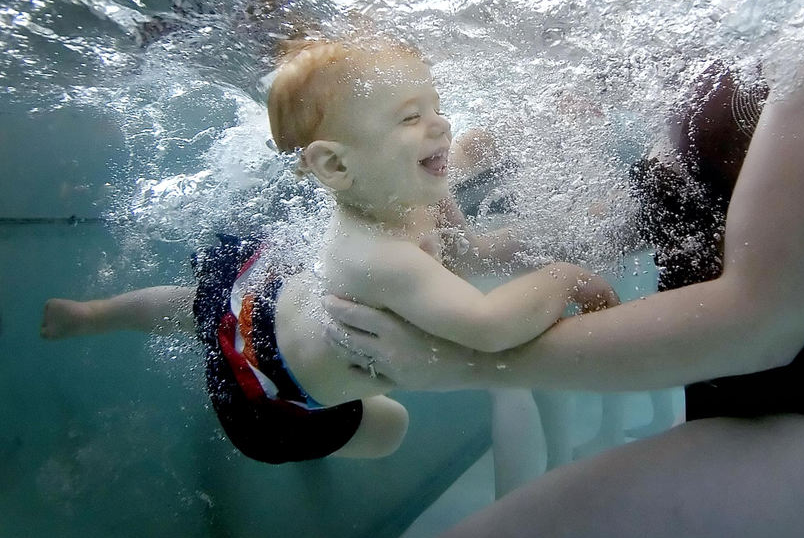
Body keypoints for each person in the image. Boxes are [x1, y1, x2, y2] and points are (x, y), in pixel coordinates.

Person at [321, 0, 804, 538]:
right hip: (738, 415)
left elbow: (759, 317)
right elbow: (653, 216)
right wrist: (472, 251)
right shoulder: (736, 8)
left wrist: (460, 363)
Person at [42, 33, 619, 474]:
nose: (440, 124)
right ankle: (100, 315)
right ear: (336, 166)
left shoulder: (400, 187)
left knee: (199, 305)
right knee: (388, 427)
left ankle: (96, 314)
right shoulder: (377, 257)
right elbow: (490, 327)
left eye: (436, 106)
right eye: (412, 117)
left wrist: (545, 118)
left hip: (256, 301)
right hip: (270, 402)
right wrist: (564, 277)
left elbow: (467, 170)